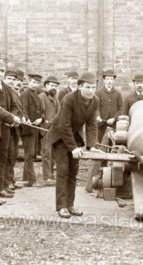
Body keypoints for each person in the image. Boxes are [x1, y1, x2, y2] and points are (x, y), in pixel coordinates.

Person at [47, 72, 101, 218]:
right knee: (63, 171)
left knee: (73, 172)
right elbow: (64, 126)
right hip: (59, 136)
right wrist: (73, 148)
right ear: (79, 87)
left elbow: (91, 124)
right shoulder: (69, 99)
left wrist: (91, 145)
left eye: (93, 87)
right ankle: (61, 206)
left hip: (74, 136)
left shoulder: (95, 100)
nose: (91, 90)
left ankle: (70, 205)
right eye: (87, 87)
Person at [0, 70, 22, 201]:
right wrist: (11, 117)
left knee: (4, 158)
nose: (0, 73)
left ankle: (2, 187)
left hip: (5, 129)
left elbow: (14, 105)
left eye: (1, 70)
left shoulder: (6, 88)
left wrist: (12, 118)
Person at [21, 74, 44, 187]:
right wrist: (27, 119)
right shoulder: (25, 94)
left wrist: (40, 118)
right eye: (34, 82)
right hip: (27, 128)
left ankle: (26, 179)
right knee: (29, 154)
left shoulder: (37, 94)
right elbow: (23, 108)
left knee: (32, 154)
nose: (35, 85)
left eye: (37, 83)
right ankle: (31, 179)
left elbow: (41, 111)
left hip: (35, 128)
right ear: (29, 81)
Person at [39, 76, 60, 185]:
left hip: (54, 129)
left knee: (53, 154)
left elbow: (59, 112)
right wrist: (45, 121)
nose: (54, 87)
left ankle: (51, 175)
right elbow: (40, 112)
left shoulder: (55, 98)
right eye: (51, 85)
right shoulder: (42, 97)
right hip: (45, 129)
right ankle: (46, 177)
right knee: (46, 153)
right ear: (46, 86)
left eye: (55, 86)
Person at [96, 70, 123, 143]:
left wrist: (114, 118)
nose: (109, 81)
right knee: (100, 143)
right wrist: (98, 116)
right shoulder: (98, 93)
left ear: (114, 81)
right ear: (104, 80)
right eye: (107, 79)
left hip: (113, 125)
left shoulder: (117, 94)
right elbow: (96, 107)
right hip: (101, 125)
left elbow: (121, 109)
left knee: (112, 144)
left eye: (111, 79)